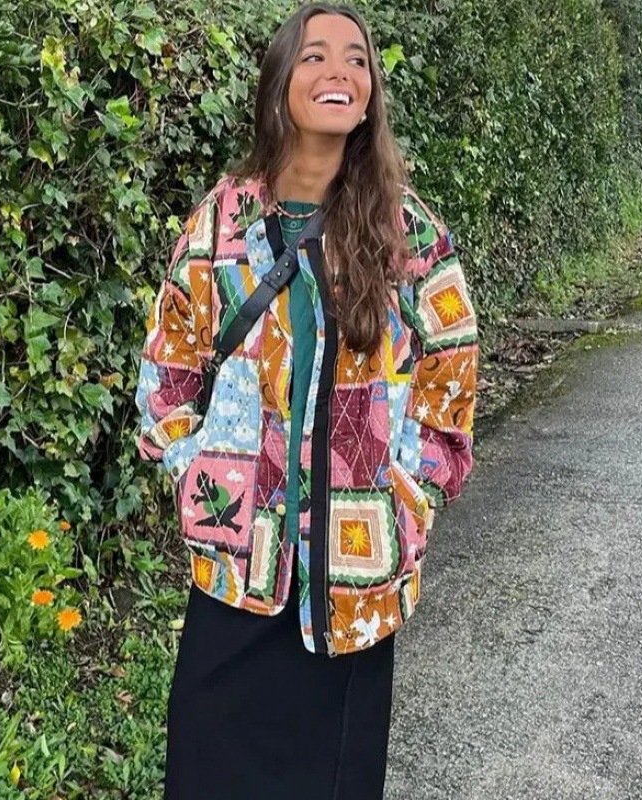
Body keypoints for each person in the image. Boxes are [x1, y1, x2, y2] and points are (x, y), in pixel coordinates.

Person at [135, 3, 479, 798]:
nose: (339, 72)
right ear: (280, 80)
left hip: (352, 586)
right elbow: (167, 369)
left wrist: (409, 497)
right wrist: (198, 476)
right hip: (235, 570)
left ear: (370, 93)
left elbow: (451, 380)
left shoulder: (406, 233)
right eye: (316, 55)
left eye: (357, 59)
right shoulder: (220, 226)